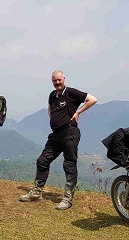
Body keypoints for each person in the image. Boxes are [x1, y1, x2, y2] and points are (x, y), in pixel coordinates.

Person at [19, 70, 97, 210]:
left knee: (69, 164)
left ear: (64, 79)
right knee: (42, 160)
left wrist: (78, 112)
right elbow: (50, 109)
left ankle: (67, 198)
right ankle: (36, 192)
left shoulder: (70, 92)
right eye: (54, 80)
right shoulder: (52, 95)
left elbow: (92, 99)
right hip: (56, 134)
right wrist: (54, 120)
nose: (57, 82)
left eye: (59, 80)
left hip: (69, 132)